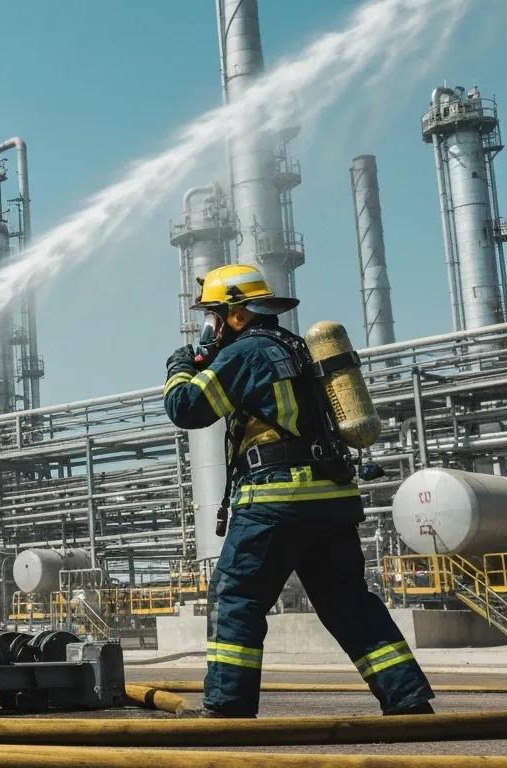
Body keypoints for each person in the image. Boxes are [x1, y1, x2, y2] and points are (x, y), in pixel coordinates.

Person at [163, 265, 435, 718]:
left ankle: (228, 708)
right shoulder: (298, 350)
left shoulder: (246, 352)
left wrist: (178, 367)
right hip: (331, 500)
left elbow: (187, 408)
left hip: (275, 502)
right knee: (348, 602)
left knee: (235, 598)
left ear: (234, 315)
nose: (208, 327)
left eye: (211, 316)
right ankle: (407, 698)